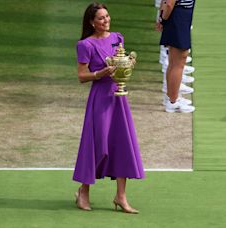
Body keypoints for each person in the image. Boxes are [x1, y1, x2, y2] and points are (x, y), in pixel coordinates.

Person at [73, 2, 145, 214]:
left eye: (107, 16)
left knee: (121, 144)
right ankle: (83, 192)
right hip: (100, 99)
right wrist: (100, 73)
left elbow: (122, 64)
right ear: (92, 22)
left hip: (119, 98)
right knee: (97, 144)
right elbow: (81, 76)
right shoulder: (85, 45)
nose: (106, 21)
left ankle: (120, 196)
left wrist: (127, 67)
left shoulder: (118, 38)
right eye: (101, 18)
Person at [158, 0, 196, 113]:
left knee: (174, 61)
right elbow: (169, 3)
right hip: (178, 16)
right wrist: (163, 19)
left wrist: (162, 17)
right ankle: (173, 102)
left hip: (180, 16)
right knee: (179, 62)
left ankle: (171, 97)